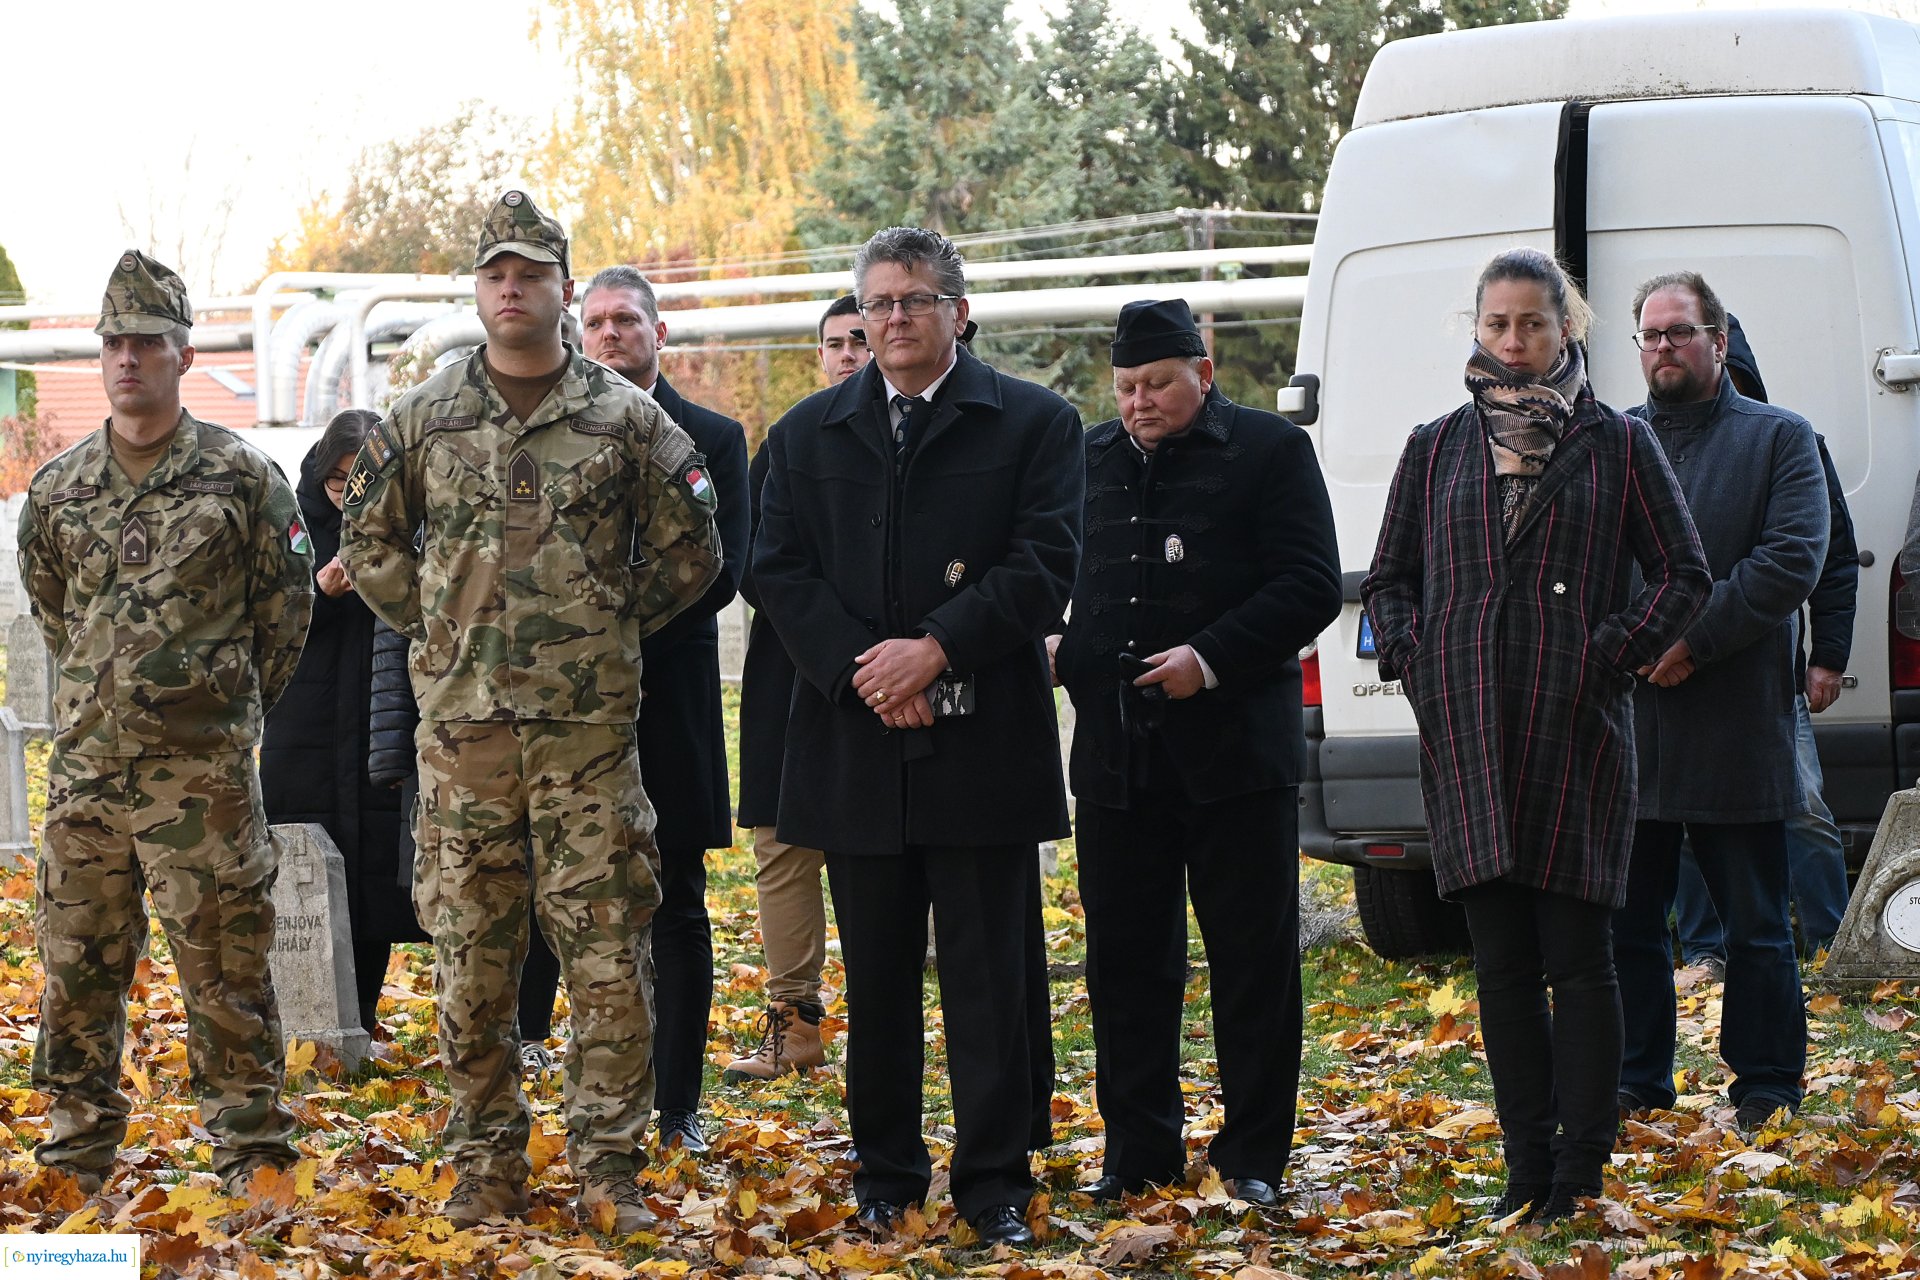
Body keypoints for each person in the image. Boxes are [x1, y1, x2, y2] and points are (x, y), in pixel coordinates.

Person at [338, 191, 721, 1231]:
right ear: (480, 290)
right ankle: (484, 1166)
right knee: (472, 959)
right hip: (462, 742)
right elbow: (364, 535)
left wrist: (605, 624)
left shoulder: (627, 417)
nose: (511, 288)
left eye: (531, 273)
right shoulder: (423, 414)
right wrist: (434, 621)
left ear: (563, 287)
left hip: (589, 742)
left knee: (606, 955)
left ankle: (608, 1168)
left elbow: (693, 548)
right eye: (495, 273)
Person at [751, 226, 1082, 1248]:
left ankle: (992, 1183)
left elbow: (1046, 563)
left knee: (989, 983)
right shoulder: (807, 435)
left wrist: (935, 648)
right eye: (879, 303)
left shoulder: (1034, 422)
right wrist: (870, 665)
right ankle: (886, 1175)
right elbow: (774, 566)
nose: (894, 319)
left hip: (983, 750)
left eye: (916, 300)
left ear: (958, 311)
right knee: (880, 983)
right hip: (857, 748)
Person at [1362, 249, 1709, 1223]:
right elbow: (1387, 578)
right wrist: (1417, 657)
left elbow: (1686, 571)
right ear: (1476, 329)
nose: (1515, 343)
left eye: (1534, 325)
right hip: (1468, 729)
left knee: (1579, 957)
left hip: (1576, 730)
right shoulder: (1435, 446)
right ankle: (1526, 1169)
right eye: (1498, 324)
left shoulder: (1618, 443)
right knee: (1502, 966)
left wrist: (1610, 654)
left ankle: (1582, 1170)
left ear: (1570, 330)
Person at [18, 250, 314, 1194]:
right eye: (114, 343)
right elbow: (56, 613)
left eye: (147, 342)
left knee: (227, 976)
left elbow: (287, 612)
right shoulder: (58, 490)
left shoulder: (242, 479)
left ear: (184, 355)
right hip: (89, 781)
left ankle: (251, 1159)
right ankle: (76, 1159)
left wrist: (219, 711)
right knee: (76, 977)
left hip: (204, 784)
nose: (127, 359)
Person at [1049, 299, 1340, 1209]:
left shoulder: (1268, 451)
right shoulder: (1085, 460)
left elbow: (1309, 585)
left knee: (1252, 965)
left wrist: (1208, 661)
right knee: (1126, 967)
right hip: (1114, 764)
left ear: (1202, 374)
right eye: (1127, 387)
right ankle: (1137, 1151)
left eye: (1159, 385)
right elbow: (1054, 572)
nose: (1140, 403)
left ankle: (1253, 1152)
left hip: (1235, 761)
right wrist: (1058, 645)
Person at [1613, 270, 1826, 1135]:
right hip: (1631, 730)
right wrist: (1636, 646)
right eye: (1651, 335)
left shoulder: (1780, 439)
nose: (1664, 348)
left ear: (1719, 339)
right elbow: (1588, 568)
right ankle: (1636, 1082)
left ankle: (1767, 1085)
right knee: (1629, 930)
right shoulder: (1615, 441)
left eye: (1680, 332)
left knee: (1756, 929)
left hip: (1738, 726)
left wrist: (1690, 642)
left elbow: (1790, 560)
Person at [575, 264, 750, 1152]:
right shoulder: (550, 437)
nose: (610, 334)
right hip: (566, 710)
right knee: (572, 899)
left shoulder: (714, 438)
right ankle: (592, 1096)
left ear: (657, 333)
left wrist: (602, 620)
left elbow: (723, 571)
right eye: (596, 321)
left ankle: (678, 1104)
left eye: (625, 320)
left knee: (676, 901)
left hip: (668, 700)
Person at [1669, 316, 1857, 965]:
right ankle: (1706, 951)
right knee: (1687, 818)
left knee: (1802, 808)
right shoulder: (1654, 445)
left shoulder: (1788, 443)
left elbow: (1829, 559)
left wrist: (1829, 655)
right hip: (1681, 674)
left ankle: (1833, 942)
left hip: (1769, 678)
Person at [727, 295, 869, 1081]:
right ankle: (795, 1024)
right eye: (833, 343)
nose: (847, 354)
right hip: (787, 671)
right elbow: (756, 563)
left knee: (867, 850)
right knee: (782, 849)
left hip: (889, 675)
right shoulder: (789, 441)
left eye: (858, 339)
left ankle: (884, 1021)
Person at [260, 409, 428, 1036]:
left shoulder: (406, 523)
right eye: (334, 479)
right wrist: (320, 593)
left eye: (357, 479)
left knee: (374, 873)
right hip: (303, 722)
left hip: (380, 721)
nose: (345, 492)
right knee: (300, 858)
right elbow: (268, 617)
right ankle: (297, 1008)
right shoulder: (293, 522)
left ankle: (360, 1013)